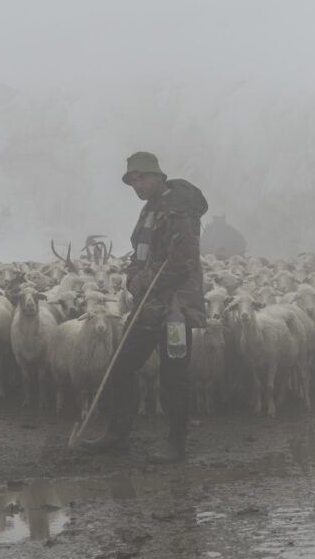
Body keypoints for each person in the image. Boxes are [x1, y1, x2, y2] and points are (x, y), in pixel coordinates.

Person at [80, 151, 209, 463]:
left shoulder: (178, 208)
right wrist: (131, 275)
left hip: (175, 308)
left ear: (157, 175)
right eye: (132, 181)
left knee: (173, 375)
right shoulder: (150, 209)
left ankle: (175, 445)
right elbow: (142, 253)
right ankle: (118, 434)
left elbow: (179, 260)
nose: (136, 185)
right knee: (122, 364)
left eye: (141, 178)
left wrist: (140, 281)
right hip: (148, 305)